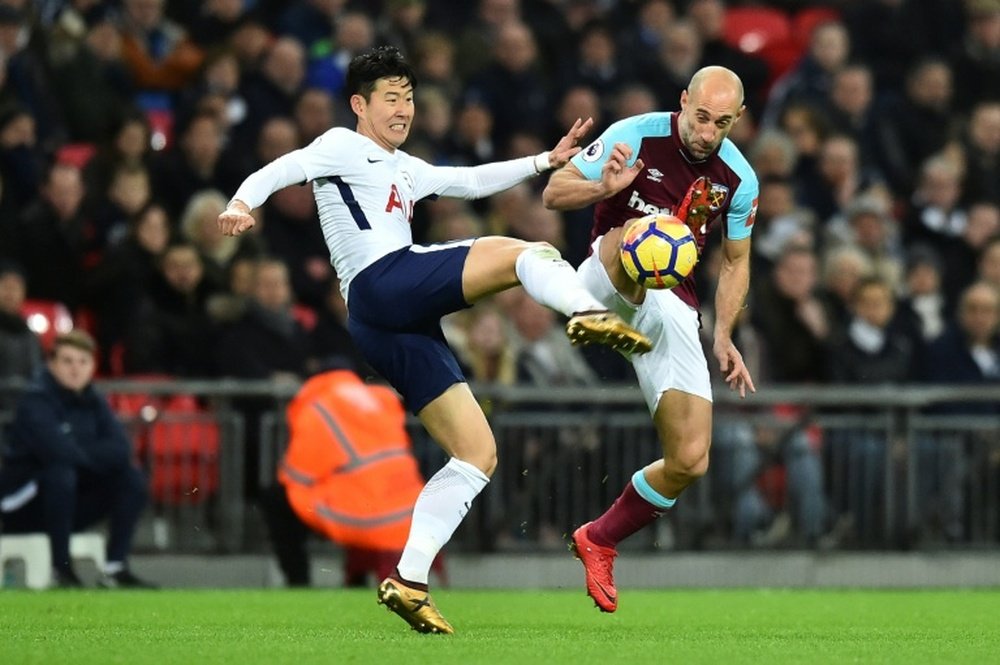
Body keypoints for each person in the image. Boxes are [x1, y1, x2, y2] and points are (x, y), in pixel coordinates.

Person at [217, 46, 650, 634]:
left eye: (409, 97)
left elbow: (467, 181)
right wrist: (242, 202)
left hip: (383, 322)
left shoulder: (403, 167)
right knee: (522, 251)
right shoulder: (342, 145)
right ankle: (588, 309)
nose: (403, 109)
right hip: (382, 281)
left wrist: (545, 160)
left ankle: (409, 579)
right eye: (390, 98)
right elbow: (281, 168)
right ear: (359, 105)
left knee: (477, 453)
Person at [542, 65, 758, 613]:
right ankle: (589, 315)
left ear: (738, 121)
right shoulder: (632, 134)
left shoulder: (739, 179)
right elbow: (553, 191)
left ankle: (600, 537)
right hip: (605, 274)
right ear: (683, 101)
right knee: (645, 232)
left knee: (691, 458)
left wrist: (726, 334)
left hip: (671, 304)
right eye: (701, 116)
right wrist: (602, 187)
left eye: (721, 123)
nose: (707, 132)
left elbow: (736, 263)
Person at [260, 364, 443, 588]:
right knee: (348, 487)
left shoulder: (318, 408)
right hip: (409, 510)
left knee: (277, 499)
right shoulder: (379, 398)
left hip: (367, 515)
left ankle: (298, 581)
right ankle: (355, 579)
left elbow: (296, 475)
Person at [0, 331, 155, 589]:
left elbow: (121, 449)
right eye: (67, 361)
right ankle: (61, 569)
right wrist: (92, 453)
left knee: (131, 478)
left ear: (93, 366)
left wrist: (77, 450)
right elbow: (58, 453)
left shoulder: (95, 401)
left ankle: (115, 568)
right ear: (52, 364)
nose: (76, 369)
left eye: (83, 362)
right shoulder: (36, 400)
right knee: (61, 474)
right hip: (21, 505)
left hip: (68, 502)